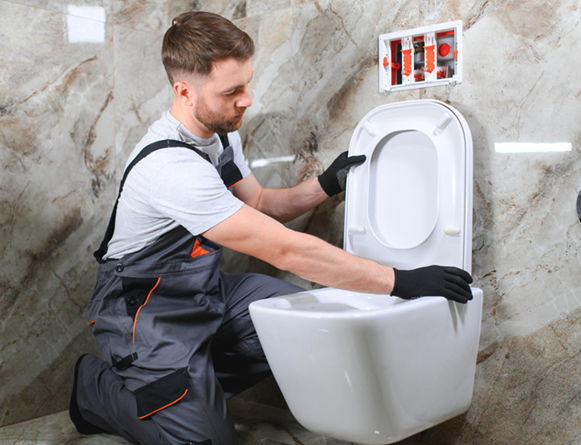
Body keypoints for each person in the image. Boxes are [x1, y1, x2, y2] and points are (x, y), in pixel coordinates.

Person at [69, 11, 473, 445]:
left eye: (246, 83)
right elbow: (285, 252)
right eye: (233, 91)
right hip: (144, 310)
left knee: (302, 326)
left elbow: (258, 203)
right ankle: (96, 390)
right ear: (184, 90)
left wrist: (323, 186)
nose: (247, 99)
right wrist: (400, 280)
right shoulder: (169, 167)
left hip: (203, 291)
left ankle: (186, 390)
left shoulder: (219, 134)